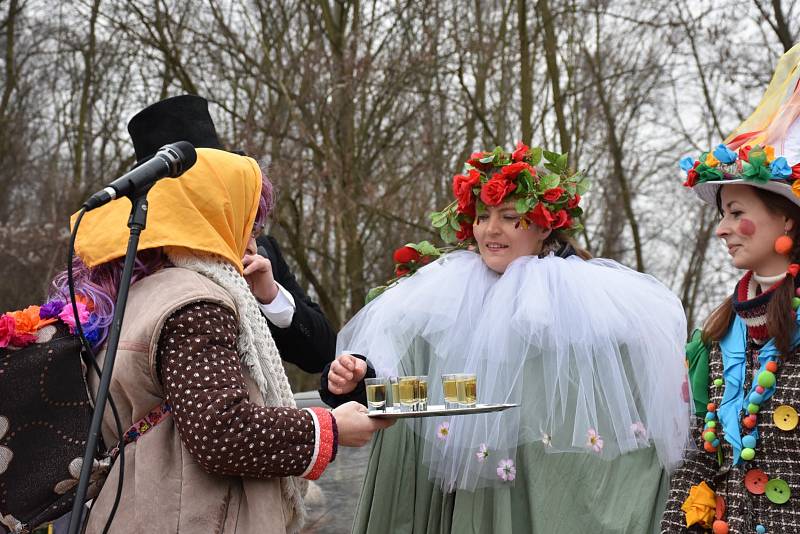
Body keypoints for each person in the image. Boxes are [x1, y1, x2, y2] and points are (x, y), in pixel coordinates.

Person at [322, 142, 690, 533]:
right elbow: (406, 370)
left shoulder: (584, 297)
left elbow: (629, 395)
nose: (491, 229)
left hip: (545, 492)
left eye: (509, 216)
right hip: (472, 494)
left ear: (545, 224)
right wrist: (358, 376)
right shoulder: (450, 289)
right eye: (482, 216)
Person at [45, 144, 390, 533]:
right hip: (190, 515)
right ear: (215, 215)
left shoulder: (138, 291)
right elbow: (222, 431)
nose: (252, 237)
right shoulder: (194, 302)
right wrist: (330, 427)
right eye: (249, 220)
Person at [661, 43, 800, 533]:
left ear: (785, 216)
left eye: (737, 213)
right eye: (723, 215)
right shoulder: (719, 333)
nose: (721, 229)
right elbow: (697, 462)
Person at [126, 94, 336, 374]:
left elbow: (322, 353)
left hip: (255, 413)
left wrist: (270, 296)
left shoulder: (261, 250)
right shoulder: (134, 259)